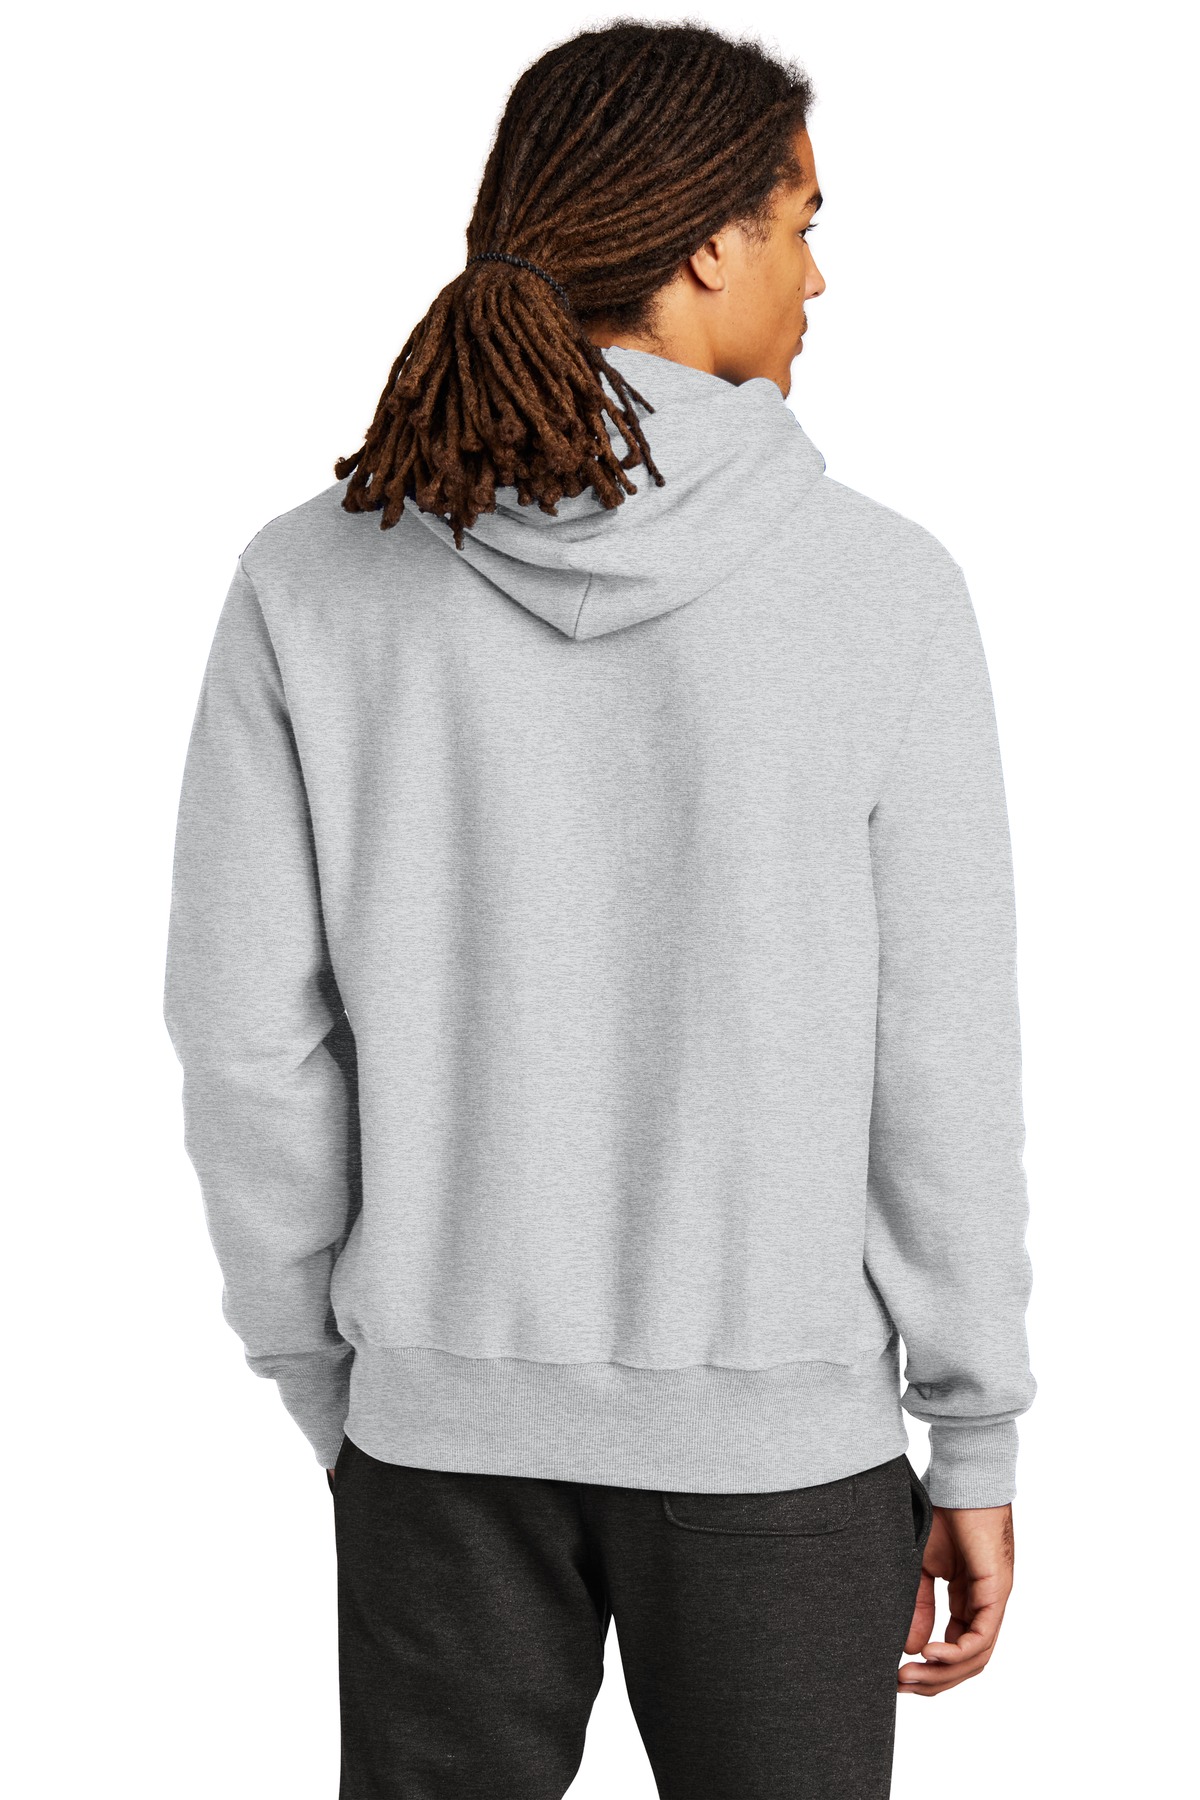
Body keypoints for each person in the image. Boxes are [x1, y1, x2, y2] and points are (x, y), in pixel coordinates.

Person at [163, 20, 1035, 1798]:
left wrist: (338, 1374)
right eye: (802, 224)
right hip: (781, 1446)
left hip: (435, 1439)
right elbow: (937, 1051)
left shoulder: (315, 576)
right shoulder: (881, 586)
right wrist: (973, 1427)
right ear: (710, 245)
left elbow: (245, 1032)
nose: (818, 276)